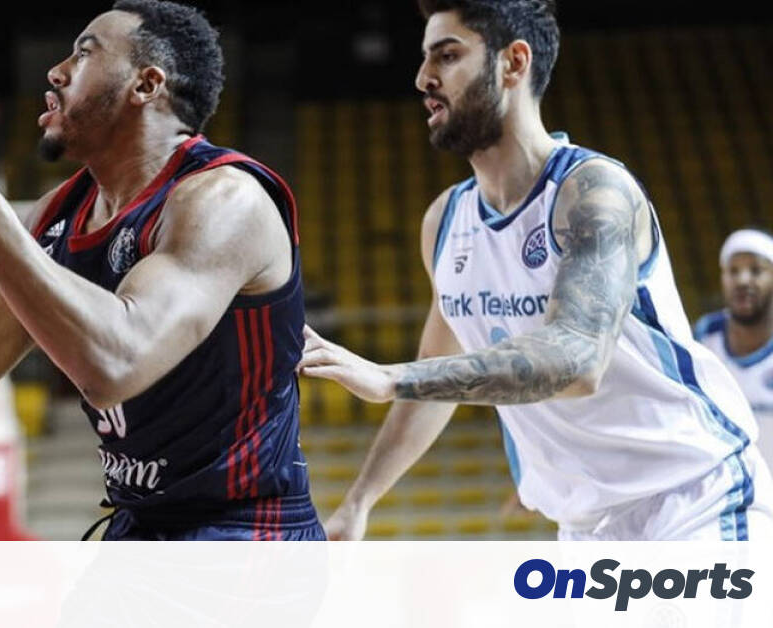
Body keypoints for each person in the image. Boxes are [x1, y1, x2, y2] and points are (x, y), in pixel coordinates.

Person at [0, 0, 322, 540]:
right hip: (141, 526)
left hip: (248, 532)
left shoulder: (224, 200)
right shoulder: (60, 214)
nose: (56, 72)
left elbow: (116, 365)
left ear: (146, 85)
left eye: (84, 53)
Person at [300, 0, 772, 541]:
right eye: (425, 58)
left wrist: (391, 377)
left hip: (695, 499)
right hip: (585, 529)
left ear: (514, 63)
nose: (423, 78)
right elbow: (438, 375)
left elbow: (578, 358)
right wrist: (359, 501)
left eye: (447, 56)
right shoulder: (445, 221)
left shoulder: (593, 192)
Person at [695, 229, 773, 468]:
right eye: (733, 271)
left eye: (756, 270)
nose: (742, 281)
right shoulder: (704, 335)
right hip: (725, 485)